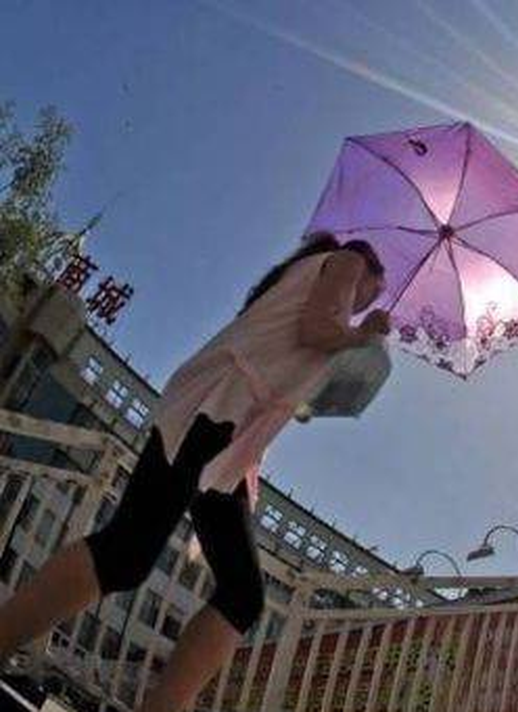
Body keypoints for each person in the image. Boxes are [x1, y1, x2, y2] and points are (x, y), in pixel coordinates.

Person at [0, 233, 390, 712]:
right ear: (369, 270)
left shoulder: (309, 278)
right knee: (132, 554)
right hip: (218, 410)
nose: (368, 302)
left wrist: (344, 359)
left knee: (228, 588)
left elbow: (302, 362)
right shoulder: (348, 261)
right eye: (376, 292)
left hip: (232, 437)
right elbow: (316, 330)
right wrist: (363, 334)